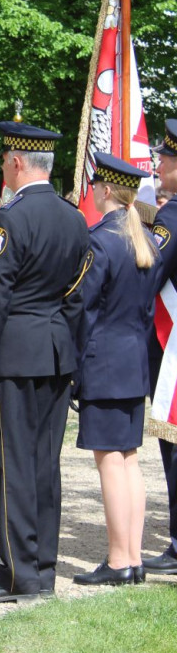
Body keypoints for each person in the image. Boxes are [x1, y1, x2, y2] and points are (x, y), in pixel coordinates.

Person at [0, 122, 90, 603]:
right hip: (55, 354)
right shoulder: (73, 218)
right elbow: (75, 297)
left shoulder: (9, 220)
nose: (3, 166)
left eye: (4, 159)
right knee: (42, 466)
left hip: (12, 357)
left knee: (10, 465)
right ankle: (43, 568)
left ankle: (18, 575)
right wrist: (69, 355)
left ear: (17, 161)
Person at [72, 153, 159, 587]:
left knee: (110, 462)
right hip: (132, 361)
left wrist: (73, 366)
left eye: (94, 186)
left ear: (105, 190)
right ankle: (134, 557)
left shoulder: (100, 242)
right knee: (128, 460)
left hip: (103, 364)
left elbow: (83, 311)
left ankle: (119, 559)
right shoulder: (145, 241)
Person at [146, 118, 177, 575]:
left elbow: (146, 276)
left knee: (174, 444)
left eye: (167, 159)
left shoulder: (171, 218)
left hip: (173, 346)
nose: (158, 165)